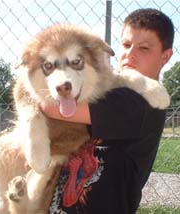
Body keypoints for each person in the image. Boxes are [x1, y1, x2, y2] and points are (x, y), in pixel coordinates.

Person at [41, 8, 174, 214]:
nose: (130, 54)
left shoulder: (138, 103)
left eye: (144, 48)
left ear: (165, 56)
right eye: (126, 45)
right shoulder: (113, 91)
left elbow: (51, 108)